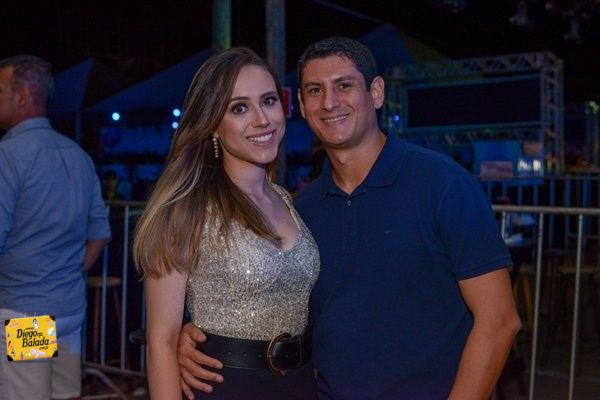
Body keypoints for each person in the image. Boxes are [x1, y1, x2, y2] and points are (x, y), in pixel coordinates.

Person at [177, 37, 522, 400]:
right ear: (301, 106)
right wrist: (205, 338)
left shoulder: (443, 185)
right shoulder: (300, 212)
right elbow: (276, 305)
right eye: (315, 90)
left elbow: (500, 321)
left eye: (344, 85)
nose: (329, 102)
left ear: (376, 92)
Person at [132, 47, 320, 400]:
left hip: (300, 386)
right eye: (239, 108)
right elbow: (162, 342)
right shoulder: (186, 208)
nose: (262, 119)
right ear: (213, 124)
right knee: (30, 381)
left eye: (268, 101)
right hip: (225, 388)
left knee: (39, 381)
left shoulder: (286, 200)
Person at [0, 55, 111, 400]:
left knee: (28, 395)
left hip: (27, 313)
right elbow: (100, 234)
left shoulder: (8, 155)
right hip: (69, 309)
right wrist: (67, 271)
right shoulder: (77, 155)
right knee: (64, 394)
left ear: (22, 96)